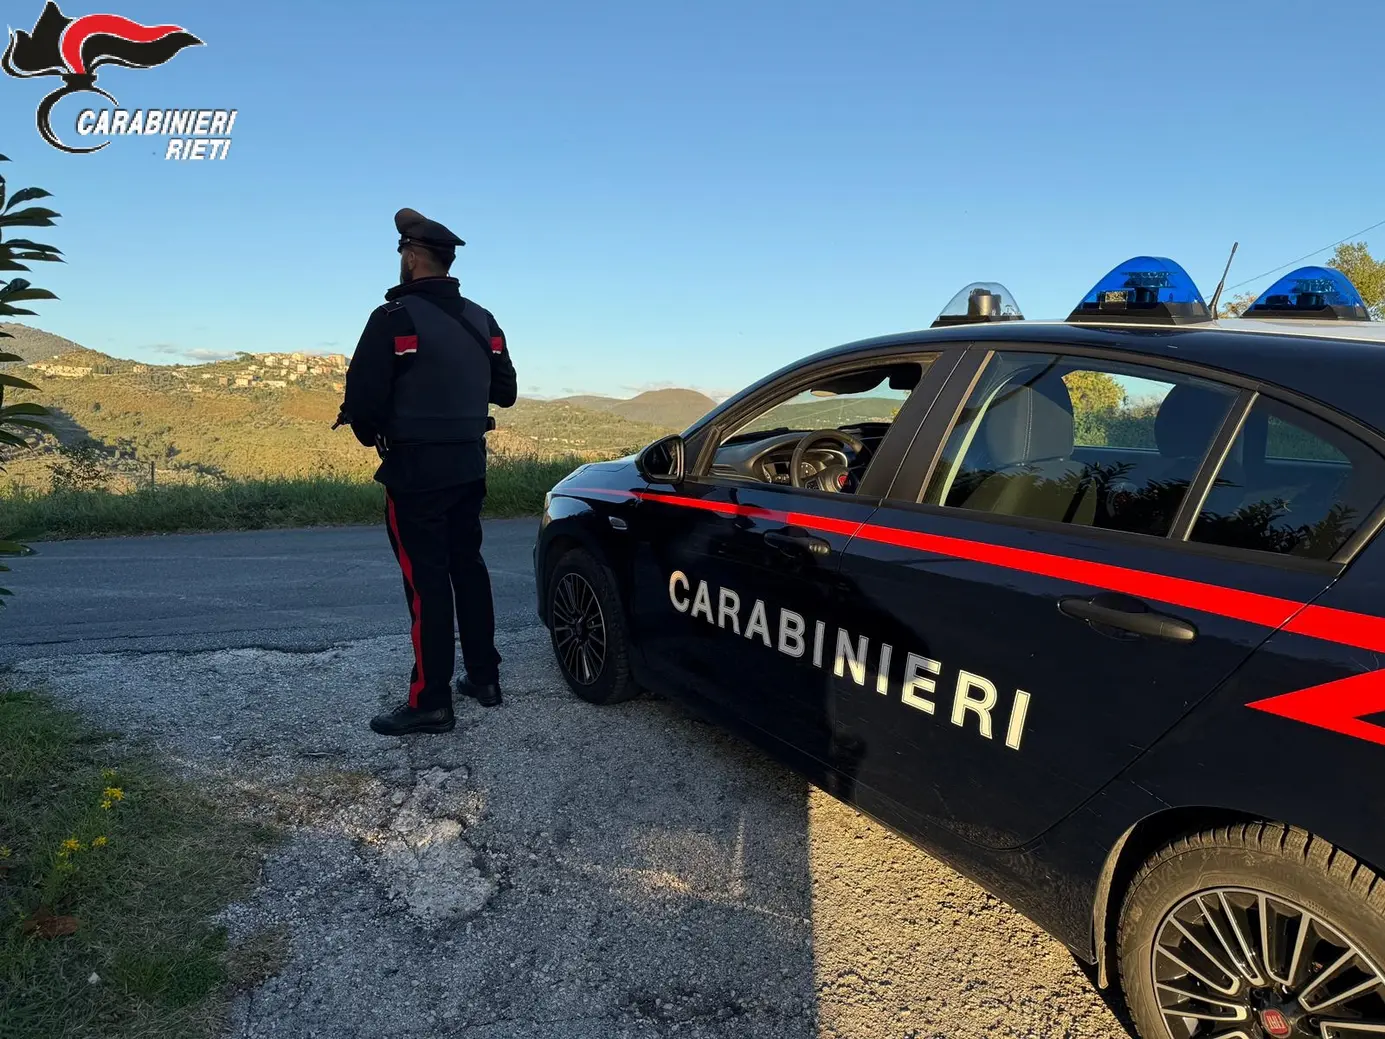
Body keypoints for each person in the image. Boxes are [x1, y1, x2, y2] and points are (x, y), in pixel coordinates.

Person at [340, 208, 517, 736]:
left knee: (426, 584)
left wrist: (376, 436)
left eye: (402, 254)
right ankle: (484, 679)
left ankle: (430, 701)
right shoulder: (483, 319)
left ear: (412, 257)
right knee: (468, 568)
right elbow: (504, 392)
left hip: (415, 469)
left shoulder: (394, 319)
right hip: (469, 464)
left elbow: (362, 401)